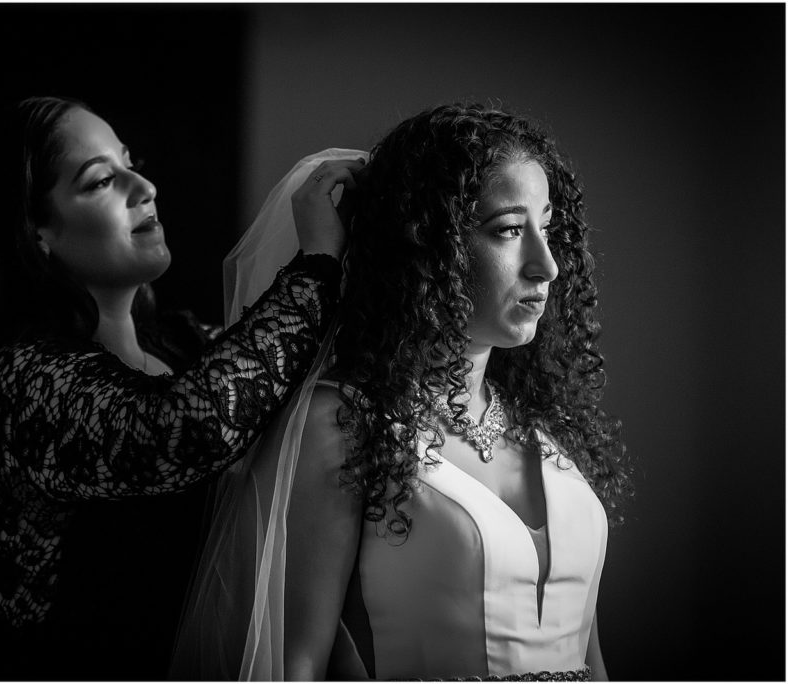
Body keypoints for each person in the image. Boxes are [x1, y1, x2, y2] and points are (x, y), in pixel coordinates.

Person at [171, 104, 631, 680]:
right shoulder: (343, 428)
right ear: (425, 247)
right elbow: (295, 666)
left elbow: (591, 657)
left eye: (548, 226)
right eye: (509, 230)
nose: (547, 266)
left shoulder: (542, 423)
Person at [0, 96, 364, 679]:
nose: (144, 185)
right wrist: (318, 261)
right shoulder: (23, 379)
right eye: (101, 180)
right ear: (35, 231)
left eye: (131, 162)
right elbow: (182, 431)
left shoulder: (186, 341)